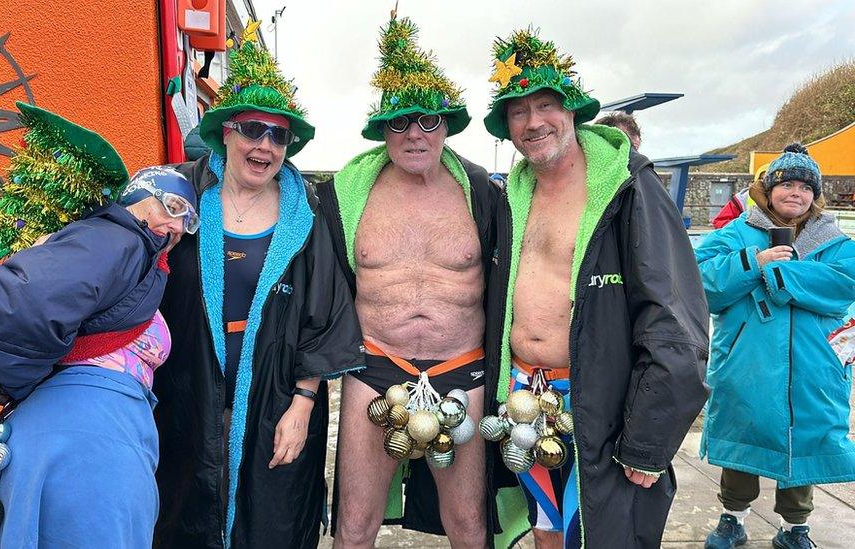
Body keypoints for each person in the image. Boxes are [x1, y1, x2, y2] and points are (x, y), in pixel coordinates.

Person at [0, 103, 196, 548]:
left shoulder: (129, 254)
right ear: (135, 198)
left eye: (190, 218)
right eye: (173, 205)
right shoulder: (119, 237)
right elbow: (10, 305)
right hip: (89, 444)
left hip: (79, 437)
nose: (179, 224)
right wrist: (23, 379)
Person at [481, 28, 709, 548]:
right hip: (525, 400)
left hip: (600, 407)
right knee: (544, 527)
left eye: (547, 106)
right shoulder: (513, 195)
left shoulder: (628, 188)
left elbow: (676, 320)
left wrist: (649, 442)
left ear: (574, 112)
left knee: (602, 536)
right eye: (519, 111)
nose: (534, 122)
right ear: (507, 126)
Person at [151, 28, 363, 549]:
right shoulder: (180, 194)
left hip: (276, 396)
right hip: (186, 389)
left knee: (273, 519)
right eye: (251, 129)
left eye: (278, 136)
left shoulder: (306, 216)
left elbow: (324, 316)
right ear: (226, 132)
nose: (264, 145)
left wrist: (302, 406)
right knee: (183, 510)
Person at [320, 15, 497, 549]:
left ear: (445, 124)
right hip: (377, 366)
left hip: (461, 369)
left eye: (425, 120)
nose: (414, 134)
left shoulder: (484, 196)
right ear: (382, 131)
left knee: (468, 524)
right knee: (354, 525)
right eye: (399, 123)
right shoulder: (345, 197)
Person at [697, 144, 855, 549]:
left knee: (805, 438)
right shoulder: (736, 232)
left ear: (814, 195)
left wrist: (782, 274)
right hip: (745, 361)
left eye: (805, 186)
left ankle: (795, 527)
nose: (796, 192)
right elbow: (700, 281)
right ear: (768, 189)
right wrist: (754, 261)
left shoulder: (836, 240)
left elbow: (846, 284)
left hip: (815, 364)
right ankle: (732, 518)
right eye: (787, 183)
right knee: (744, 434)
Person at [711, 163, 768, 229]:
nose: (764, 182)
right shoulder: (742, 199)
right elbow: (719, 221)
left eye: (768, 178)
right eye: (761, 179)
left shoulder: (781, 199)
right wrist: (740, 230)